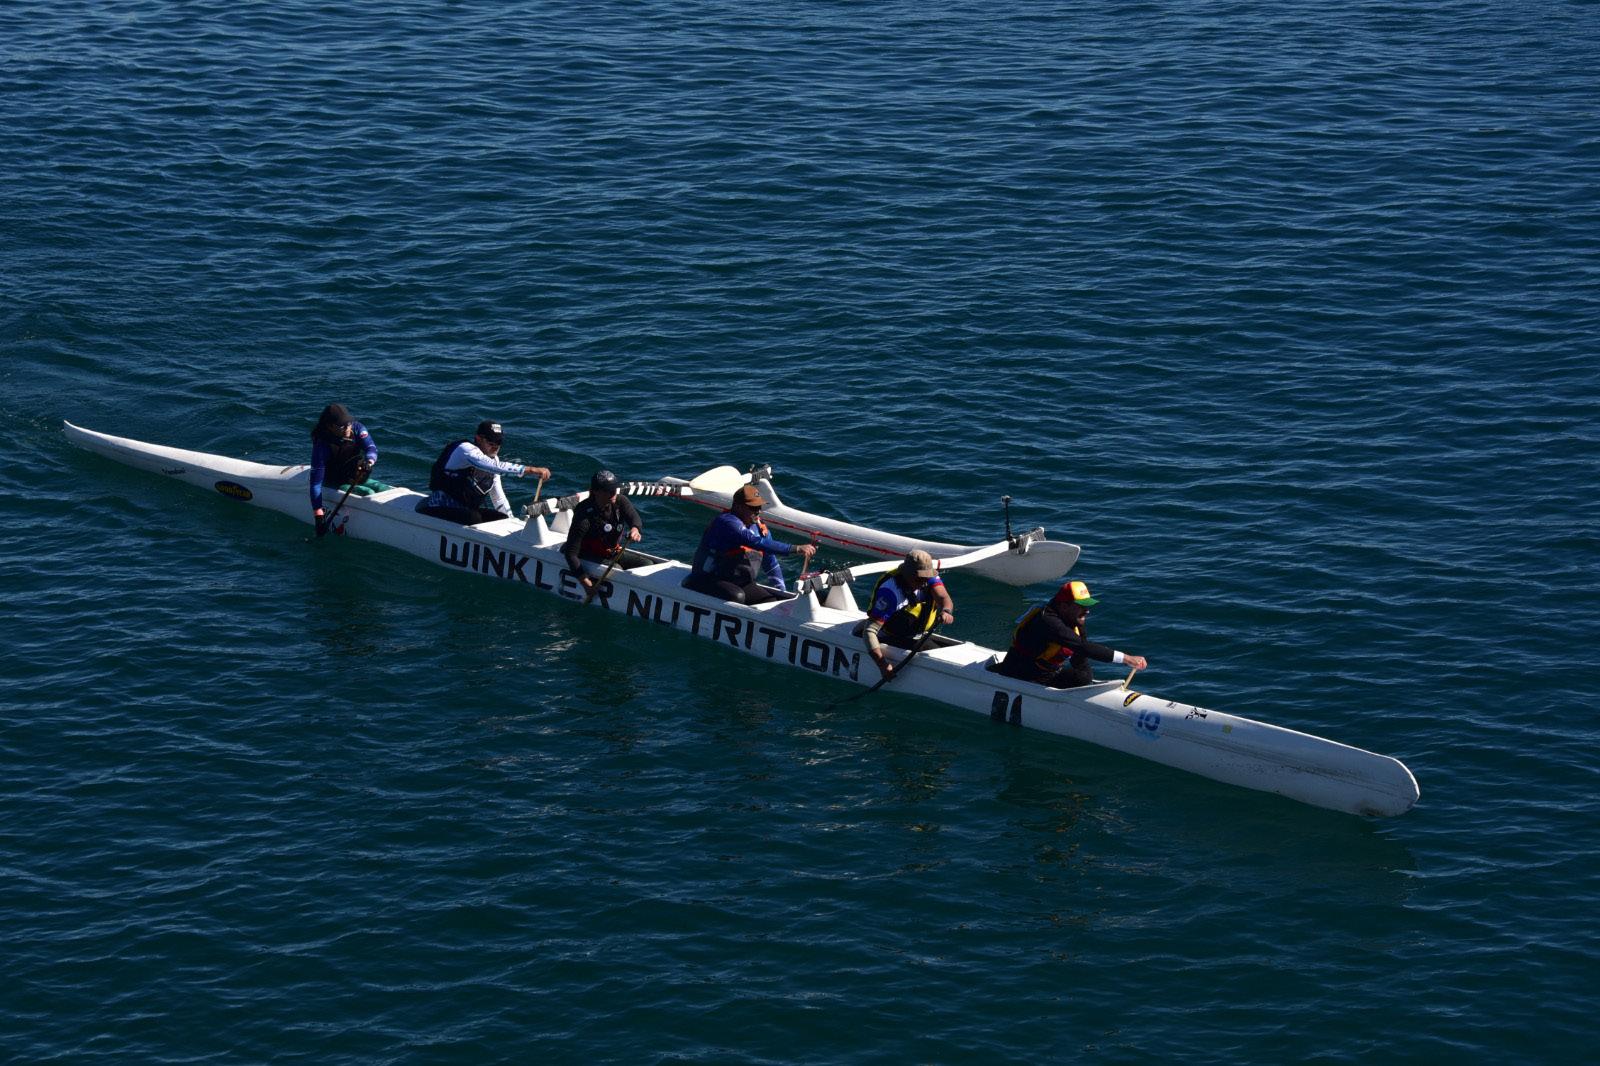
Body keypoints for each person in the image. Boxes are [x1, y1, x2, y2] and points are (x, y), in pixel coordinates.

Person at [996, 579, 1148, 688]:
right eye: (1081, 606)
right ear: (1064, 606)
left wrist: (1085, 682)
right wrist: (1126, 658)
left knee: (1083, 677)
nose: (1087, 611)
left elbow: (1080, 653)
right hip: (1020, 675)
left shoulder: (1073, 618)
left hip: (1047, 674)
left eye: (1087, 606)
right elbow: (1082, 646)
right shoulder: (1047, 621)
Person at [684, 484, 816, 605]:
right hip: (706, 579)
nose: (758, 511)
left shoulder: (759, 528)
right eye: (753, 508)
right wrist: (796, 548)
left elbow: (771, 563)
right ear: (738, 507)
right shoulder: (726, 523)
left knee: (771, 600)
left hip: (739, 582)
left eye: (759, 507)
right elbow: (753, 541)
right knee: (737, 596)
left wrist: (782, 591)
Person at [418, 420, 552, 526]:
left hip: (463, 510)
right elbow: (494, 467)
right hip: (438, 506)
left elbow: (498, 497)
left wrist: (512, 521)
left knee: (501, 518)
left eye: (499, 442)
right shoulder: (465, 450)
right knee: (474, 518)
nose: (496, 446)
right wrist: (531, 470)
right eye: (491, 441)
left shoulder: (494, 460)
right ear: (478, 438)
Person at [863, 549, 956, 681]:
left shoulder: (928, 578)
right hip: (891, 636)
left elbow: (943, 597)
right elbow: (869, 631)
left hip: (917, 635)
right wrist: (883, 665)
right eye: (920, 578)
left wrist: (946, 611)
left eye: (927, 578)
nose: (924, 582)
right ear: (907, 575)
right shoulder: (890, 593)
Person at [564, 469, 643, 595]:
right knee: (617, 570)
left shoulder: (620, 501)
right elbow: (570, 554)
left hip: (611, 552)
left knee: (646, 564)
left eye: (615, 489)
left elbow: (635, 519)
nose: (613, 493)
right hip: (587, 554)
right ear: (596, 492)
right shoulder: (584, 515)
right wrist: (586, 583)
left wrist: (635, 529)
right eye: (608, 490)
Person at [310, 403, 378, 536]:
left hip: (355, 474)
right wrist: (318, 516)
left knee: (380, 488)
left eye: (349, 423)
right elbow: (315, 484)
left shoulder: (357, 428)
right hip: (335, 479)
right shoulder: (322, 445)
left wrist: (369, 461)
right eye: (343, 425)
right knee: (368, 492)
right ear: (330, 426)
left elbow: (371, 448)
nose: (348, 427)